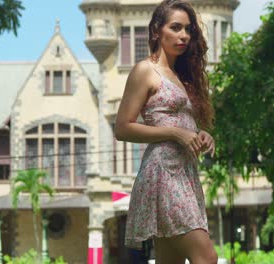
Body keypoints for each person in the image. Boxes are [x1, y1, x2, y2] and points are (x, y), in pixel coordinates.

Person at [114, 0, 218, 263]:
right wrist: (174, 133)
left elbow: (183, 122)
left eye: (188, 29)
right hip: (163, 173)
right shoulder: (145, 70)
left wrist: (200, 134)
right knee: (207, 257)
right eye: (175, 27)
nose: (183, 35)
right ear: (156, 31)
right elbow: (122, 127)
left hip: (186, 173)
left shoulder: (182, 76)